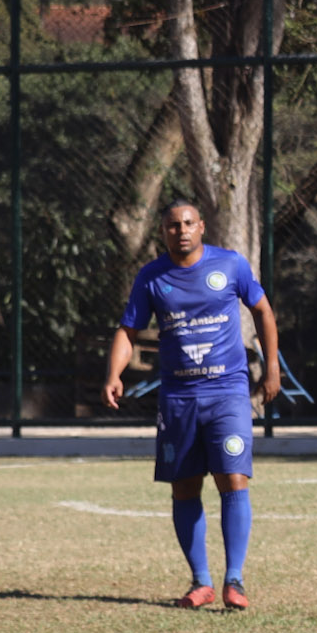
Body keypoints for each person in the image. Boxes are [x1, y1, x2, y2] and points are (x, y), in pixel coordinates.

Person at [102, 199, 280, 611]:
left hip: (228, 392)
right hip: (179, 398)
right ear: (163, 231)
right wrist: (114, 374)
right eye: (172, 225)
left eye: (187, 223)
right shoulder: (151, 277)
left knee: (233, 477)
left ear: (201, 227)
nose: (180, 230)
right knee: (184, 486)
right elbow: (128, 331)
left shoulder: (230, 265)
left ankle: (234, 580)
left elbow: (263, 311)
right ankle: (201, 582)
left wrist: (271, 367)